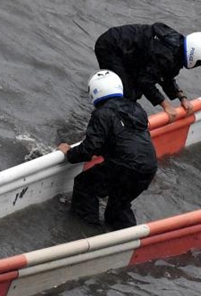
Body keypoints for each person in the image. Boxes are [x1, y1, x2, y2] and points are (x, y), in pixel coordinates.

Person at [58, 70, 158, 230]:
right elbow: (124, 138)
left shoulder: (102, 113)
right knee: (119, 204)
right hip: (149, 166)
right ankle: (127, 238)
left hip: (125, 165)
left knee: (85, 185)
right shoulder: (136, 109)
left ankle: (85, 230)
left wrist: (69, 152)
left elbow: (88, 149)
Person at [94, 23, 201, 122]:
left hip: (126, 50)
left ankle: (116, 119)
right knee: (126, 95)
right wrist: (166, 106)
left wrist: (182, 98)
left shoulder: (177, 46)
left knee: (134, 93)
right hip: (111, 48)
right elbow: (145, 81)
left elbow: (166, 76)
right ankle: (105, 123)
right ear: (194, 55)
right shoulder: (167, 56)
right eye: (199, 63)